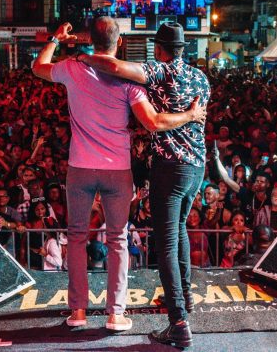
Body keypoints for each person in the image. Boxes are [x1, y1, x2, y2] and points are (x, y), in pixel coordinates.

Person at [32, 19, 206, 332]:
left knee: (76, 238)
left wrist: (57, 41)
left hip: (81, 168)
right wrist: (192, 115)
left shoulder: (72, 67)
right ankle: (116, 314)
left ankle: (78, 313)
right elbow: (151, 121)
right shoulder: (134, 82)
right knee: (118, 240)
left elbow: (38, 66)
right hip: (121, 169)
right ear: (120, 42)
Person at [82, 21, 211, 347]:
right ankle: (184, 299)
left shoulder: (160, 71)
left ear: (159, 48)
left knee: (165, 243)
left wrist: (83, 57)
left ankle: (178, 322)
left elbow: (111, 64)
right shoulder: (201, 77)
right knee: (179, 229)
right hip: (197, 166)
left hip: (170, 168)